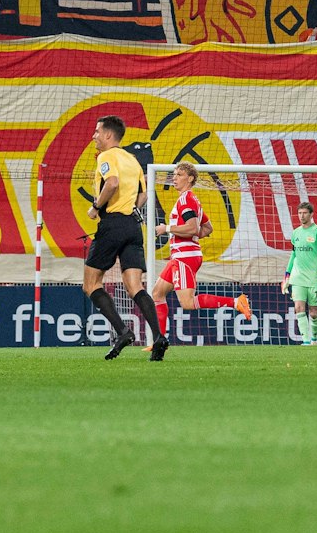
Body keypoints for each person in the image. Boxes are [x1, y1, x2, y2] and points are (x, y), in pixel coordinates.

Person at [84, 115, 169, 361]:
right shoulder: (132, 160)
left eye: (97, 131)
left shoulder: (106, 156)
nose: (94, 136)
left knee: (90, 284)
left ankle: (122, 332)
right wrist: (132, 209)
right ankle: (158, 336)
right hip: (133, 226)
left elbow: (111, 183)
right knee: (135, 286)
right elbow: (144, 195)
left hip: (112, 224)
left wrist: (96, 207)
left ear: (108, 135)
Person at [144, 162, 253, 348]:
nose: (175, 178)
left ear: (190, 178)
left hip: (185, 257)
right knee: (157, 293)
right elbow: (206, 228)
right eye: (174, 174)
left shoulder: (187, 200)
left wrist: (167, 228)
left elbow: (193, 227)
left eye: (179, 174)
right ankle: (158, 341)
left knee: (187, 303)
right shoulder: (188, 199)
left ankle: (236, 302)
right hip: (180, 256)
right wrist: (191, 234)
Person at [281, 201, 317, 345]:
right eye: (299, 213)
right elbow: (293, 254)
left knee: (314, 312)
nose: (301, 216)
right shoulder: (296, 233)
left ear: (311, 214)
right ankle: (306, 340)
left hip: (315, 278)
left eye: (304, 213)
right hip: (298, 277)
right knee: (298, 308)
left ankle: (314, 339)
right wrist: (287, 275)